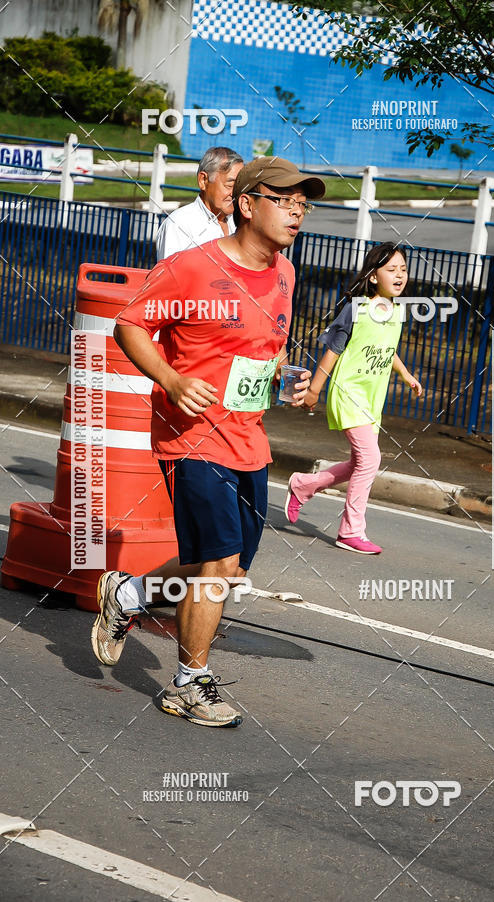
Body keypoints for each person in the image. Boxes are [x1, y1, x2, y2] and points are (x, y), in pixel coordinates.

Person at [91, 156, 325, 727]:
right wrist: (170, 379)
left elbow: (256, 354)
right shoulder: (191, 268)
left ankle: (127, 597)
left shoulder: (285, 274)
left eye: (304, 203)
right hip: (191, 436)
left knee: (226, 569)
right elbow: (129, 323)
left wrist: (283, 379)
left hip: (247, 435)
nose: (296, 211)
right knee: (216, 564)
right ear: (247, 204)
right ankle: (189, 684)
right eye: (284, 199)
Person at [284, 242, 423, 554]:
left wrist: (405, 374)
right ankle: (350, 531)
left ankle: (304, 484)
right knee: (371, 460)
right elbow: (333, 350)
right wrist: (314, 390)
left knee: (360, 461)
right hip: (349, 393)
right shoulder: (357, 310)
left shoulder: (397, 310)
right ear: (373, 277)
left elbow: (387, 348)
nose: (400, 275)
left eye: (403, 269)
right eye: (392, 270)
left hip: (373, 399)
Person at [155, 146, 243, 260]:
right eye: (230, 186)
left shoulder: (241, 223)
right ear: (203, 180)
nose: (236, 193)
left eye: (240, 186)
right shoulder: (179, 224)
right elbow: (169, 276)